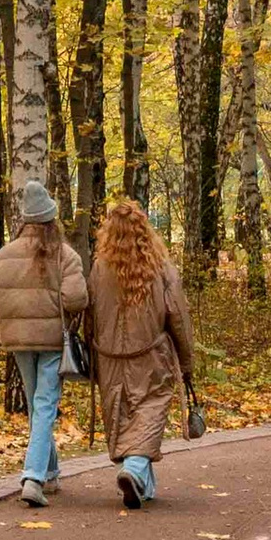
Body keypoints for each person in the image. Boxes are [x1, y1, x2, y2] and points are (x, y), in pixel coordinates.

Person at [88, 196, 197, 509]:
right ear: (143, 230)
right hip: (151, 355)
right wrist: (186, 361)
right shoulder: (160, 267)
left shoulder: (99, 268)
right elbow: (177, 314)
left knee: (121, 414)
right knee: (149, 410)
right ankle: (135, 469)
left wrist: (92, 354)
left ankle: (141, 482)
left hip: (109, 357)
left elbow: (90, 315)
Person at [0, 181, 88, 509]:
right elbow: (77, 298)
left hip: (17, 340)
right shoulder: (64, 254)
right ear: (50, 220)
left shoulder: (4, 255)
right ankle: (33, 477)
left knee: (36, 405)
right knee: (45, 404)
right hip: (51, 341)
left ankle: (51, 471)